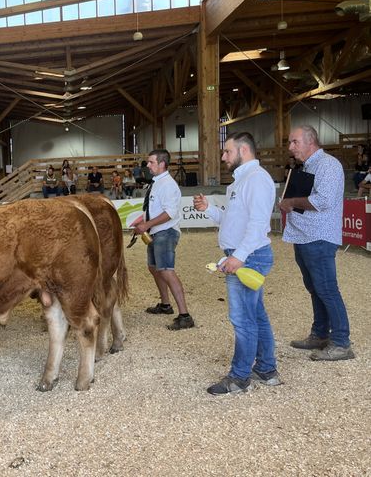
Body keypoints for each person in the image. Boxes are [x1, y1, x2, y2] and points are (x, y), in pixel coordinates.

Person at [193, 132, 279, 395]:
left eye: (227, 151)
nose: (223, 157)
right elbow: (232, 220)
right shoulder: (241, 182)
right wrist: (208, 209)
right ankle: (266, 368)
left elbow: (257, 225)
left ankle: (240, 376)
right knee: (256, 315)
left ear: (244, 150)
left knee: (242, 319)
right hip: (243, 253)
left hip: (248, 256)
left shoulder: (257, 180)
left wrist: (238, 257)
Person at [280, 125, 355, 361]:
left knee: (327, 289)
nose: (290, 147)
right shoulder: (307, 167)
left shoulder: (328, 165)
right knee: (314, 288)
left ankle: (342, 342)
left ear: (310, 141)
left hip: (319, 237)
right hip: (304, 235)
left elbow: (323, 201)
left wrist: (291, 201)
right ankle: (320, 334)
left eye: (294, 142)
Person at [133, 150, 194, 331]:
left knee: (166, 270)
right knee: (154, 268)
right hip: (156, 232)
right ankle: (166, 305)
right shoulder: (157, 183)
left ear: (162, 164)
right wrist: (143, 223)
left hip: (166, 232)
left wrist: (147, 225)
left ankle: (185, 315)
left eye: (151, 162)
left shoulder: (168, 184)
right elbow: (156, 209)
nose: (148, 166)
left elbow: (170, 213)